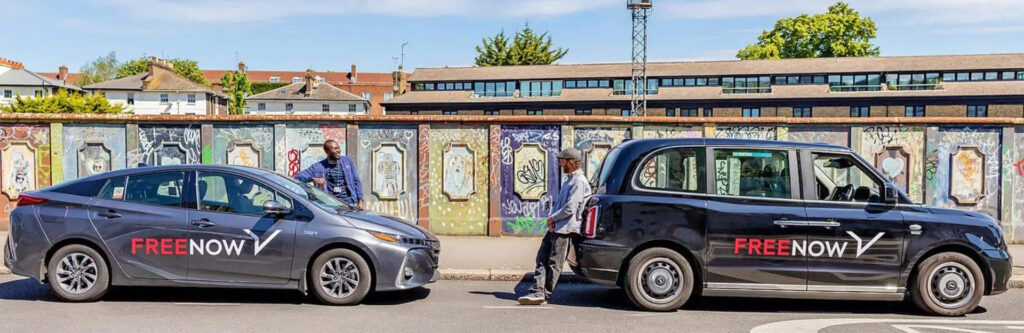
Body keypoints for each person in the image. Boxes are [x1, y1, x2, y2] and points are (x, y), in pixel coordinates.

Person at [518, 148, 592, 305]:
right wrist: (553, 221)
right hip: (557, 226)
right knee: (541, 258)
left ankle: (544, 294)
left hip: (565, 229)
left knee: (554, 263)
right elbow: (561, 204)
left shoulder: (579, 182)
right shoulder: (569, 180)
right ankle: (537, 291)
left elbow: (570, 208)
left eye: (562, 160)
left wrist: (553, 218)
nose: (560, 163)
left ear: (571, 163)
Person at [294, 140, 364, 208]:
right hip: (330, 205)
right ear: (327, 151)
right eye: (335, 148)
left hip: (350, 203)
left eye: (338, 147)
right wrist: (313, 179)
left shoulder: (347, 161)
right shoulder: (318, 166)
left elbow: (356, 180)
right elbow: (298, 177)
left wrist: (360, 200)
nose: (338, 150)